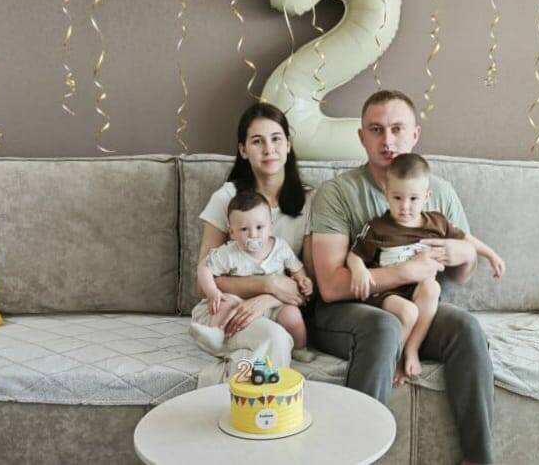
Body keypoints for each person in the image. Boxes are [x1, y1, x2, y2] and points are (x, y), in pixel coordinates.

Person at [311, 89, 495, 465]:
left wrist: (465, 253)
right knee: (383, 327)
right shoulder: (338, 193)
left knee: (466, 327)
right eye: (376, 129)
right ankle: (357, 457)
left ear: (415, 134)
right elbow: (330, 287)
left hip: (417, 306)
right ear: (361, 137)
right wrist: (401, 272)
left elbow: (463, 275)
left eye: (397, 129)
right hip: (351, 310)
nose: (388, 140)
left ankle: (478, 460)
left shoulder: (438, 192)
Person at [346, 152, 505, 385]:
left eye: (413, 199)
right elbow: (354, 255)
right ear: (386, 194)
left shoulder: (436, 223)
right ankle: (396, 360)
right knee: (408, 312)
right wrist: (360, 271)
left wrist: (491, 254)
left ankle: (412, 349)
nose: (405, 207)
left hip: (418, 291)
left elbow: (466, 238)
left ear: (427, 196)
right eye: (397, 198)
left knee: (432, 288)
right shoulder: (377, 227)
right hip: (386, 294)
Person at [196, 102, 315, 369]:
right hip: (229, 308)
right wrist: (268, 284)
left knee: (271, 339)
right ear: (243, 150)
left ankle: (241, 385)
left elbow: (309, 283)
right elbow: (202, 282)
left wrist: (268, 298)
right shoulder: (227, 199)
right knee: (272, 338)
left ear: (288, 144)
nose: (269, 149)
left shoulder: (309, 201)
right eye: (257, 141)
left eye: (276, 139)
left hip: (280, 307)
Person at [191, 190, 313, 355]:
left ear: (271, 227)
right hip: (240, 302)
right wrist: (212, 292)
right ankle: (216, 333)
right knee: (225, 303)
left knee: (293, 315)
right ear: (232, 233)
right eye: (244, 229)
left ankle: (299, 348)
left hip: (273, 303)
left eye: (259, 227)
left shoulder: (281, 248)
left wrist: (304, 281)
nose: (253, 234)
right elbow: (204, 267)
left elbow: (297, 269)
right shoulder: (229, 253)